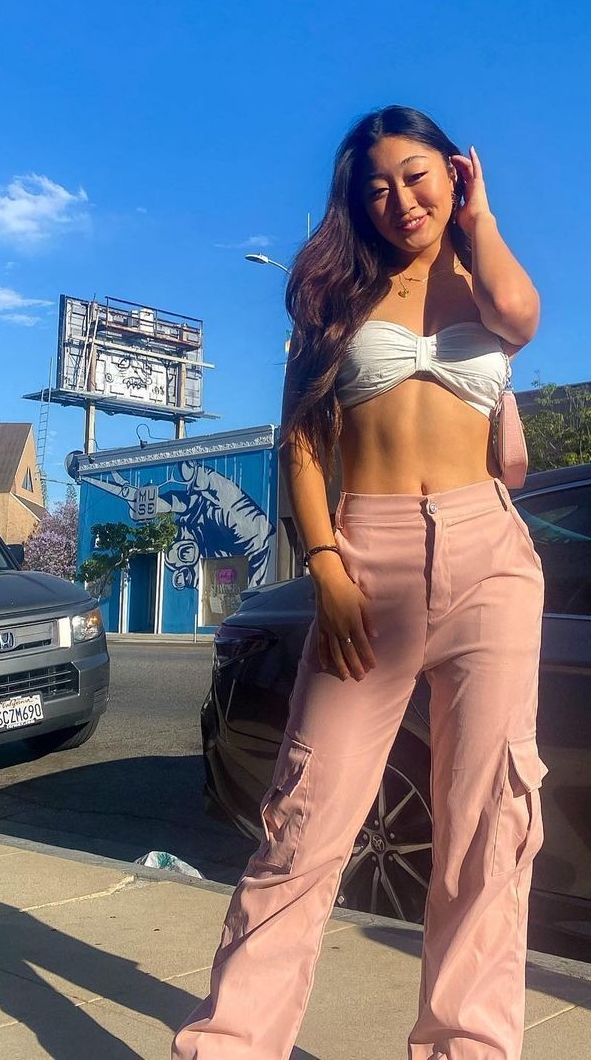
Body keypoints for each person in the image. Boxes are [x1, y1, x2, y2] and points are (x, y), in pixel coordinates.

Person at [172, 104, 547, 1060]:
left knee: (489, 822)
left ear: (454, 172)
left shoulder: (479, 278)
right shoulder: (335, 294)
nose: (400, 199)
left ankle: (467, 1046)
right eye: (377, 186)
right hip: (366, 554)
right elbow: (299, 442)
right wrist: (326, 565)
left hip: (490, 556)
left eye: (418, 175)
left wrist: (481, 219)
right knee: (306, 815)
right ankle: (231, 1043)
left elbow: (520, 318)